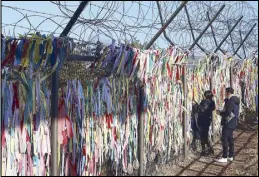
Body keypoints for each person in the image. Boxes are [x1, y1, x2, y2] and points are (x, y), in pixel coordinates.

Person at [216, 87, 240, 163]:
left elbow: (228, 112)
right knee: (230, 139)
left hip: (228, 122)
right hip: (233, 121)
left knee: (224, 138)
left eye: (225, 92)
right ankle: (231, 156)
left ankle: (224, 156)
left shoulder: (230, 101)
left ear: (228, 93)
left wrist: (220, 113)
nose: (225, 94)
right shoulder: (235, 100)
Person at [198, 90, 215, 156]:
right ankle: (208, 149)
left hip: (202, 120)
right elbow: (212, 109)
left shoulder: (205, 102)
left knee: (203, 135)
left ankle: (206, 149)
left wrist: (197, 106)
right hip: (208, 120)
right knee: (205, 135)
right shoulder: (212, 102)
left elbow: (202, 109)